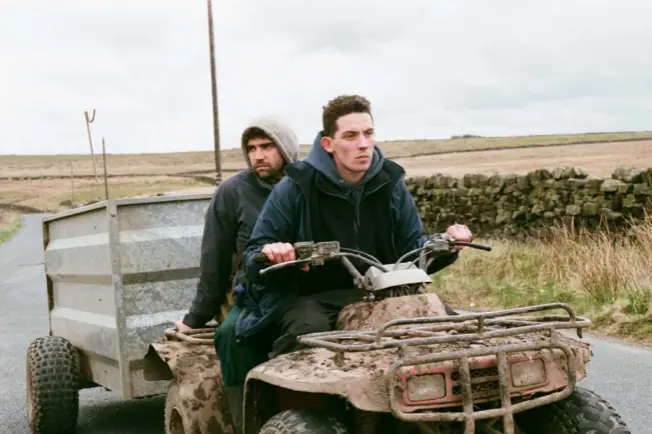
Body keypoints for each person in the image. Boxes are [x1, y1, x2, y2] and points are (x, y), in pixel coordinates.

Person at [237, 94, 473, 359]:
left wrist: (447, 245)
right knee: (307, 333)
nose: (363, 144)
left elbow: (412, 249)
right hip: (310, 296)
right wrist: (274, 252)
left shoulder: (391, 183)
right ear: (329, 144)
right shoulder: (295, 187)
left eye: (368, 133)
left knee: (453, 329)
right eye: (350, 136)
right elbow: (253, 255)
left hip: (382, 293)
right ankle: (295, 399)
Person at [173, 116, 299, 434]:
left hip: (308, 291)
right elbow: (213, 261)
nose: (258, 155)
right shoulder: (233, 193)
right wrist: (195, 318)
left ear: (286, 148)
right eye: (252, 148)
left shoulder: (310, 186)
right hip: (253, 295)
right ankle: (247, 421)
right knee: (231, 336)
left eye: (267, 146)